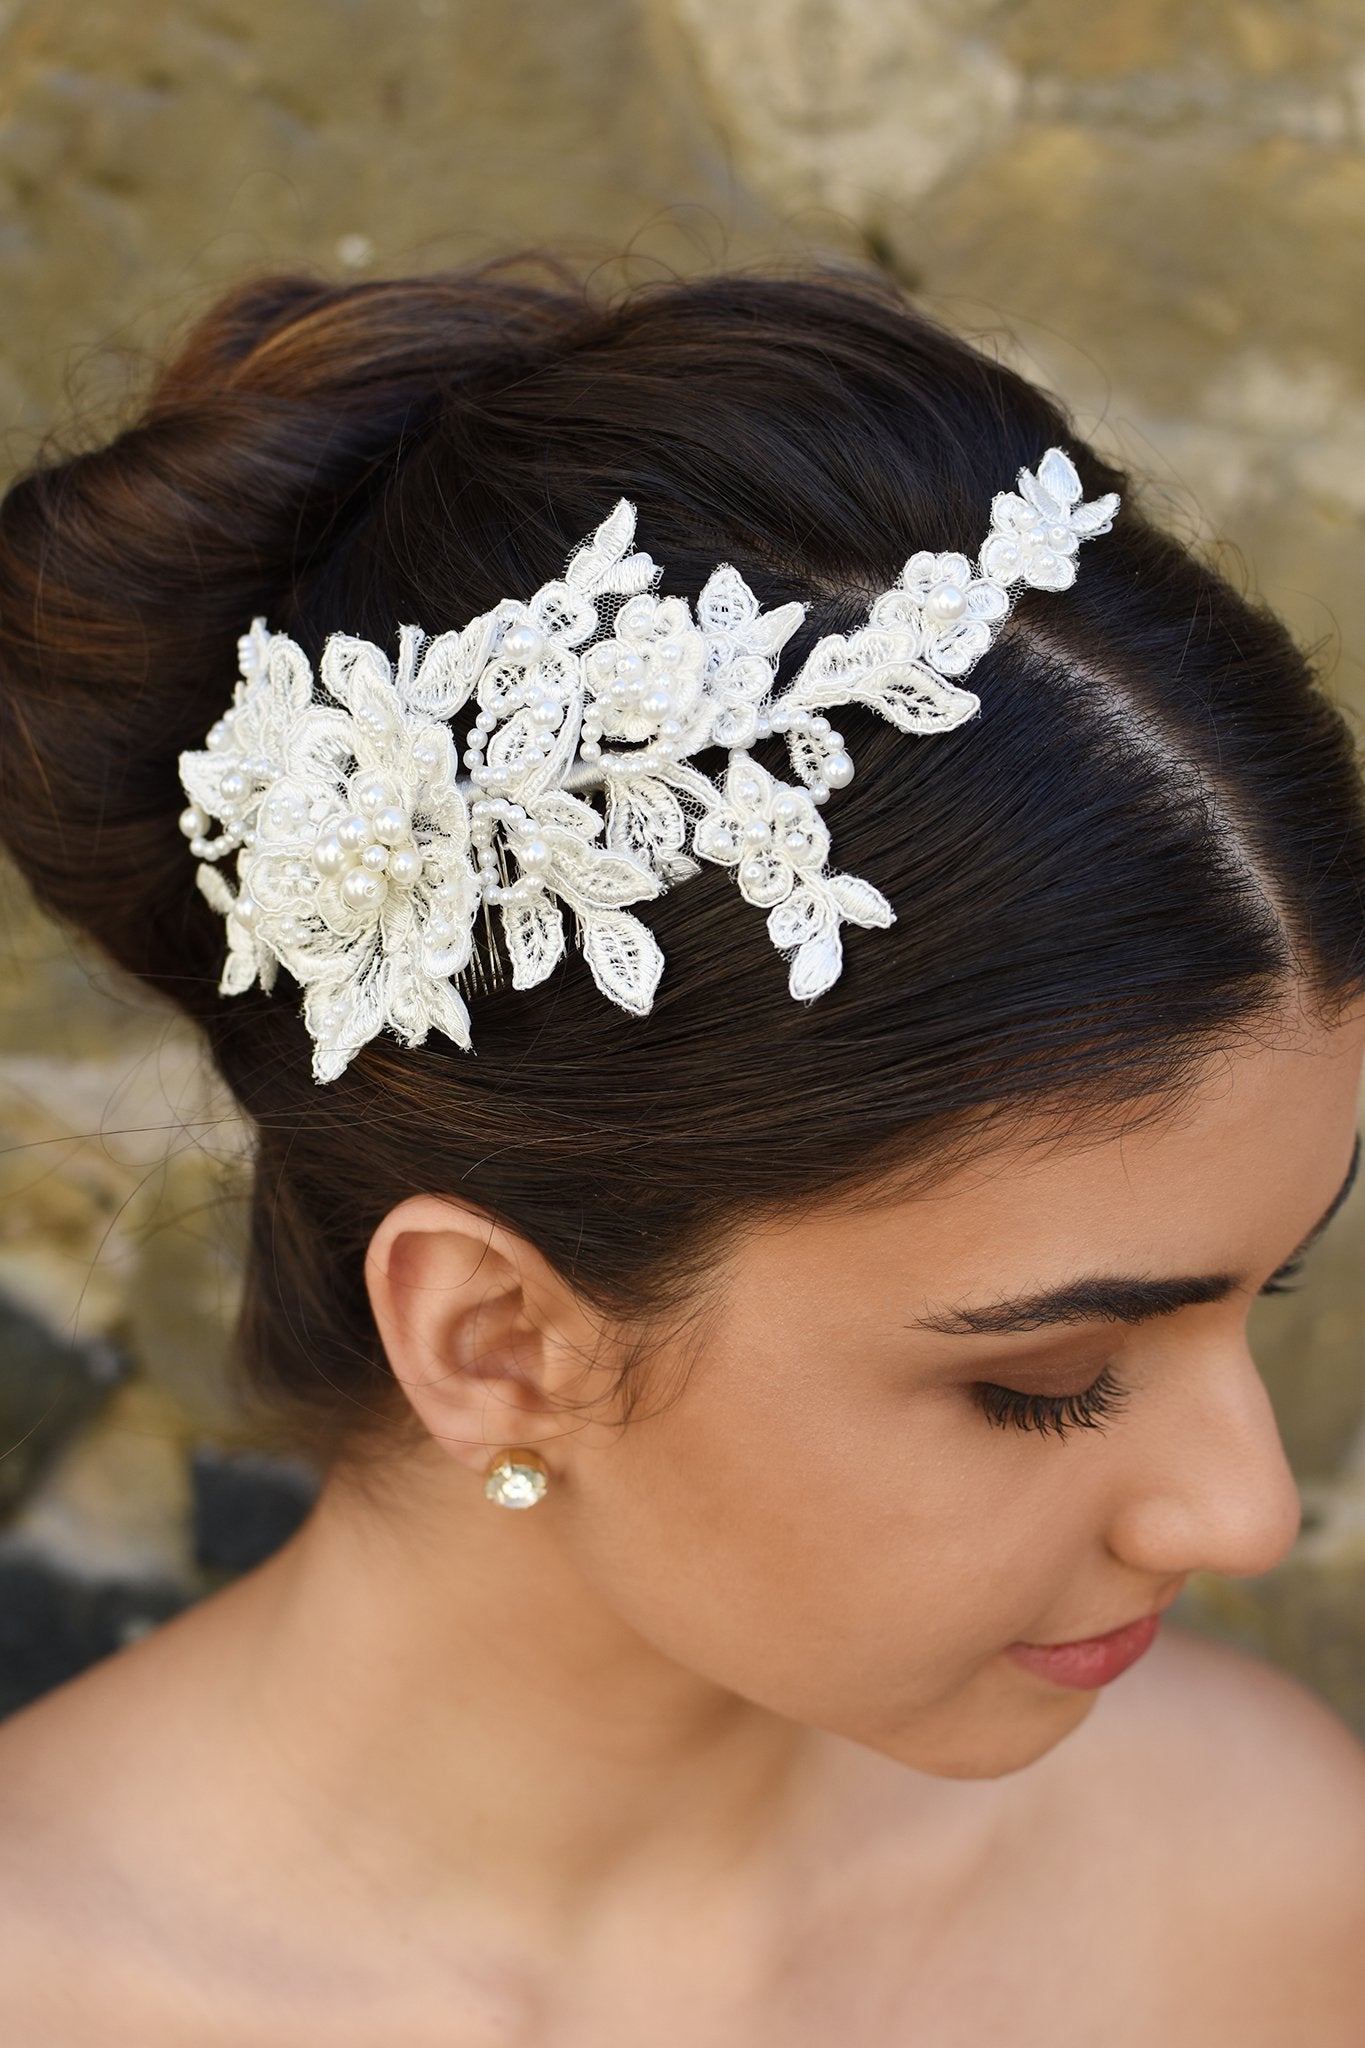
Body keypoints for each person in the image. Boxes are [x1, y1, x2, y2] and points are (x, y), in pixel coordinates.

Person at [0, 264, 1362, 2045]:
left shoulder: (1255, 1892)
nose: (1246, 1512)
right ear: (496, 1338)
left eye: (1270, 1289)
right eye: (1048, 1379)